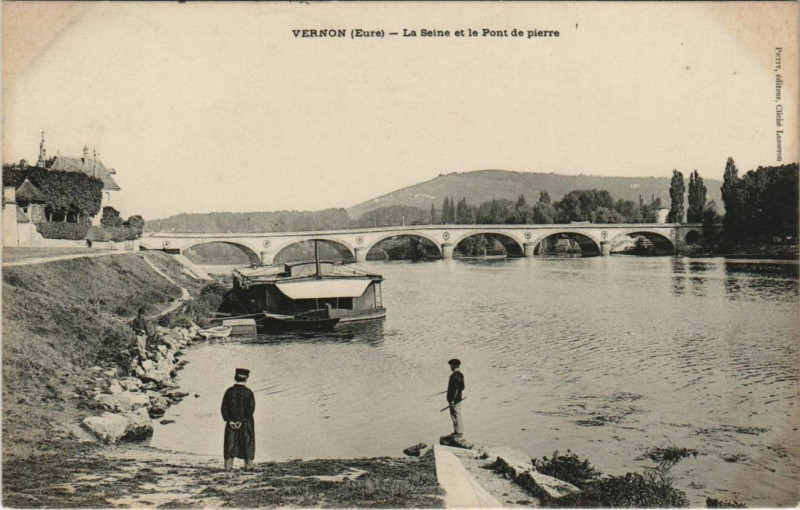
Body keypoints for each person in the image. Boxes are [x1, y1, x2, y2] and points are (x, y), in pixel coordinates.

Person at [221, 368, 256, 470]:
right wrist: (242, 421)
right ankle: (249, 467)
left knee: (230, 444)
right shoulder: (249, 393)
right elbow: (251, 410)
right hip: (245, 424)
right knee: (247, 443)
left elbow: (224, 408)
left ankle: (228, 467)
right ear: (246, 379)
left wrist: (230, 421)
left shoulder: (229, 391)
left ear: (235, 377)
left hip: (231, 424)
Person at [446, 358, 465, 439]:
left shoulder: (453, 376)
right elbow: (462, 387)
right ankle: (458, 432)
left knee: (455, 415)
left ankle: (458, 432)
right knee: (457, 415)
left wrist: (452, 400)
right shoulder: (461, 375)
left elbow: (455, 389)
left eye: (450, 365)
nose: (450, 367)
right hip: (459, 399)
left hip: (454, 400)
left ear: (452, 366)